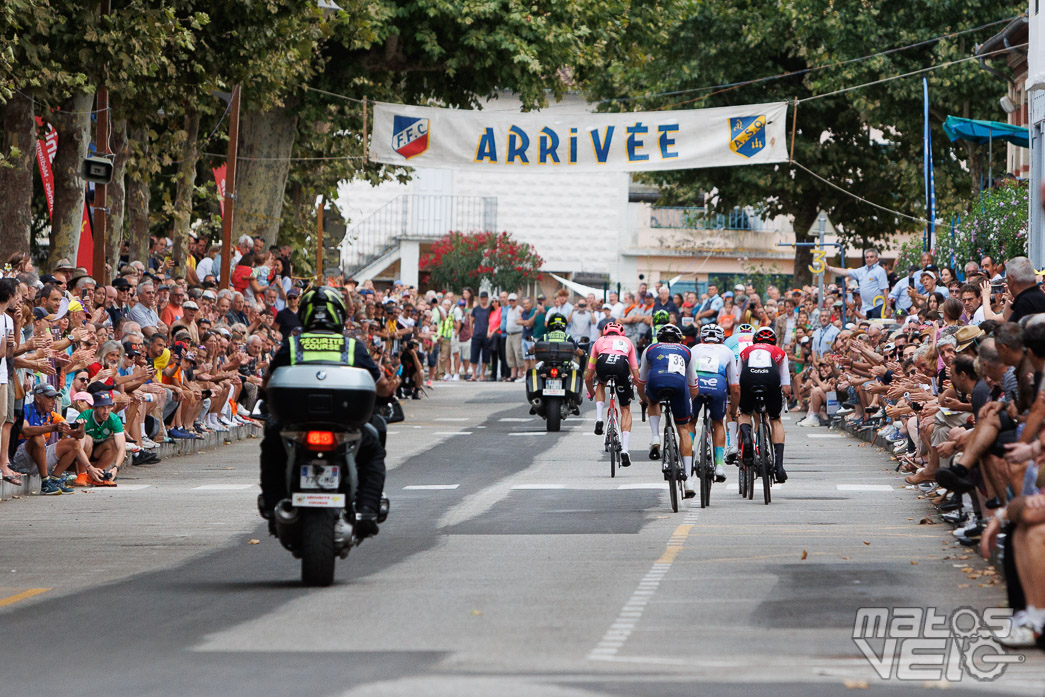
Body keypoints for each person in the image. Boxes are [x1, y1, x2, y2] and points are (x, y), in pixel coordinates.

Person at [259, 286, 393, 539]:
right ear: (339, 316)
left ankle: (273, 503)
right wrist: (389, 392)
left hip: (295, 424)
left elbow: (267, 383)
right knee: (373, 447)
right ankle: (366, 509)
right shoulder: (353, 347)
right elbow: (382, 388)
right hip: (346, 425)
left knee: (271, 444)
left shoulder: (292, 346)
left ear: (305, 316)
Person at [637, 324, 700, 496]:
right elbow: (693, 386)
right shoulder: (686, 351)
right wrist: (688, 404)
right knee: (684, 430)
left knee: (653, 400)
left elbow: (641, 382)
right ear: (679, 339)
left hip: (655, 382)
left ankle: (655, 436)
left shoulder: (650, 348)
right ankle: (688, 479)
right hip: (679, 387)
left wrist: (645, 399)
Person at [737, 327, 792, 483]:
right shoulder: (779, 351)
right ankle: (779, 467)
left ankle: (747, 439)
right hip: (770, 378)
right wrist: (784, 397)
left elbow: (737, 378)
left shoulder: (746, 351)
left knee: (745, 414)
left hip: (749, 377)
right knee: (775, 420)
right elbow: (786, 386)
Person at [585, 322, 640, 467]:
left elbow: (588, 376)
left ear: (605, 333)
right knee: (625, 409)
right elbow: (635, 372)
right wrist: (635, 385)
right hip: (622, 366)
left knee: (601, 384)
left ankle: (598, 419)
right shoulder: (627, 342)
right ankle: (625, 450)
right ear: (621, 334)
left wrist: (591, 392)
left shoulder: (599, 342)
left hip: (603, 362)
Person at [691, 323, 740, 483]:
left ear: (702, 337)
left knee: (690, 420)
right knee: (718, 422)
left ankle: (689, 450)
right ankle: (719, 465)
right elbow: (734, 385)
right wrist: (733, 410)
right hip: (717, 384)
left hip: (697, 383)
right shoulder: (727, 351)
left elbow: (686, 375)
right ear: (721, 338)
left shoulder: (695, 348)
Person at [823, 247, 890, 318]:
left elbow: (885, 289)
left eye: (871, 257)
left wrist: (888, 308)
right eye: (867, 257)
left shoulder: (880, 271)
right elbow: (845, 272)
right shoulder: (862, 270)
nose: (869, 259)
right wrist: (829, 268)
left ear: (876, 258)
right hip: (867, 307)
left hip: (878, 305)